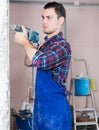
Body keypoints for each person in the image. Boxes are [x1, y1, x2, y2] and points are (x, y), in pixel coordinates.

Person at [15, 1, 72, 130]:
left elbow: (42, 62)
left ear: (60, 20)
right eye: (43, 17)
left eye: (49, 17)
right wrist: (31, 46)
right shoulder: (45, 45)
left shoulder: (63, 45)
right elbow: (28, 62)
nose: (44, 21)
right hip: (41, 108)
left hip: (55, 110)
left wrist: (24, 42)